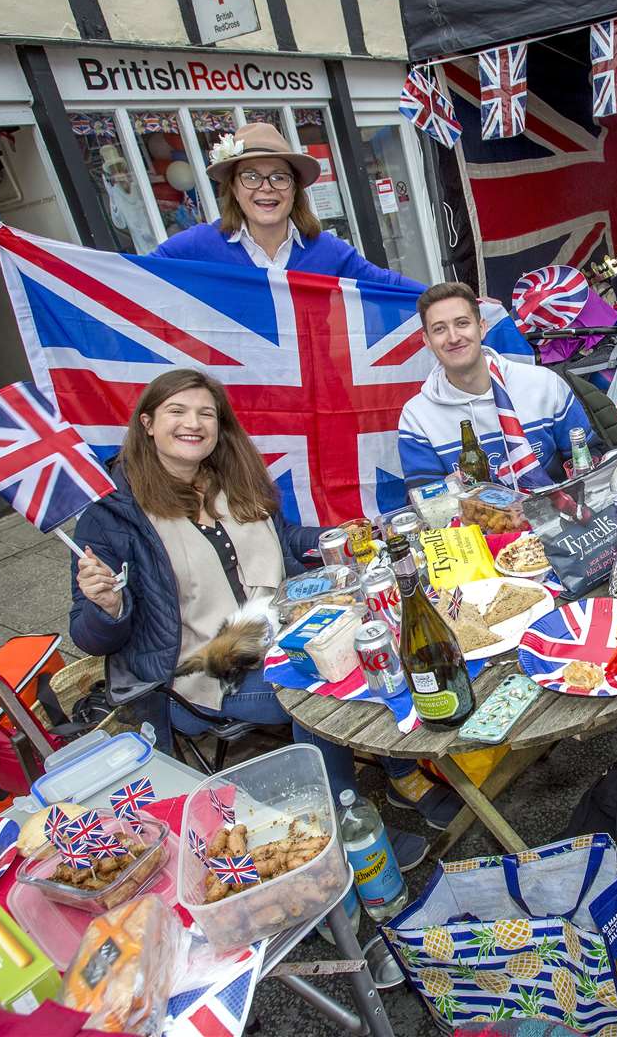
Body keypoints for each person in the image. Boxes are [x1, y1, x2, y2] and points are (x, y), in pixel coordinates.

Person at [70, 370, 446, 869]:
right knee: (313, 686)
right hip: (203, 671)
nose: (194, 423)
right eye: (177, 412)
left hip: (283, 627)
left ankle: (401, 770)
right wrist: (108, 608)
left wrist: (337, 539)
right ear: (147, 424)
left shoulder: (233, 478)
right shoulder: (112, 518)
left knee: (383, 633)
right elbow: (90, 637)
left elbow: (284, 540)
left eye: (206, 413)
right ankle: (341, 829)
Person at [0, 122, 423, 289]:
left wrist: (459, 306)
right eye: (250, 175)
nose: (265, 188)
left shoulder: (328, 252)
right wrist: (26, 263)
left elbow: (395, 290)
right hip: (230, 400)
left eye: (279, 176)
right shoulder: (193, 247)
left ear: (294, 189)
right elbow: (119, 284)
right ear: (232, 187)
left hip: (311, 392)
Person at [398, 282, 595, 487]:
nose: (454, 337)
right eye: (439, 329)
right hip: (473, 519)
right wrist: (448, 489)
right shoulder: (416, 416)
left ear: (482, 328)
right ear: (427, 341)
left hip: (557, 511)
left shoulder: (544, 384)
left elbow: (590, 459)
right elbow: (422, 500)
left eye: (462, 323)